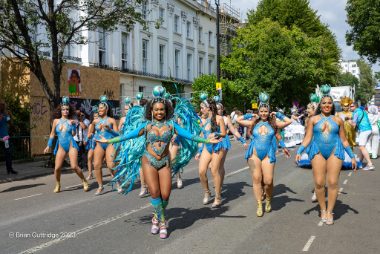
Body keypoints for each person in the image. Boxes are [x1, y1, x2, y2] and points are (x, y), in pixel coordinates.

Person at [97, 86, 219, 239]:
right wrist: (108, 140)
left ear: (166, 110)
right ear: (151, 111)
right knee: (155, 192)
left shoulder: (172, 125)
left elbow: (190, 136)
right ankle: (162, 222)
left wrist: (206, 139)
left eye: (162, 109)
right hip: (148, 161)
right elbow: (126, 136)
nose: (159, 112)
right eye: (156, 110)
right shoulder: (146, 126)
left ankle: (156, 216)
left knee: (166, 195)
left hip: (165, 162)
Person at [296, 85, 357, 225]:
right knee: (319, 183)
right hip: (317, 151)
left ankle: (330, 211)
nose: (327, 105)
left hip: (335, 151)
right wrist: (299, 151)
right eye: (324, 103)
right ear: (320, 105)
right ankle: (322, 209)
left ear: (332, 104)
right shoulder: (313, 119)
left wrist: (352, 156)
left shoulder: (338, 120)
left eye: (329, 103)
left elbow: (344, 140)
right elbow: (307, 138)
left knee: (333, 182)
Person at [237, 92, 291, 217]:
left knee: (268, 180)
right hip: (254, 154)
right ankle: (259, 204)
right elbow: (238, 119)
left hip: (268, 155)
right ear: (258, 111)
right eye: (261, 111)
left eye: (266, 111)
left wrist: (277, 114)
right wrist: (251, 114)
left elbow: (288, 121)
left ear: (269, 111)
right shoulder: (253, 122)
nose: (263, 114)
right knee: (256, 178)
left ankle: (268, 199)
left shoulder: (274, 123)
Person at [43, 97, 89, 193]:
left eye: (67, 109)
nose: (65, 111)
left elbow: (73, 134)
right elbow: (52, 134)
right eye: (63, 109)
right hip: (61, 146)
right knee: (57, 168)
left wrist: (72, 126)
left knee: (74, 166)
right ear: (60, 110)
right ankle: (58, 184)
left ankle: (84, 180)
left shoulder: (71, 121)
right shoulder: (55, 121)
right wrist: (48, 145)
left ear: (69, 110)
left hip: (71, 144)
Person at [195, 93, 227, 208]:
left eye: (202, 107)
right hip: (207, 147)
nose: (201, 110)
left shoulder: (219, 118)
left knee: (214, 170)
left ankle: (218, 197)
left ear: (208, 108)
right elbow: (201, 136)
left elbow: (224, 133)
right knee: (201, 171)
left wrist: (215, 133)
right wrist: (199, 151)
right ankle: (207, 192)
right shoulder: (202, 120)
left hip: (218, 146)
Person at [87, 95, 119, 195]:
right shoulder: (95, 121)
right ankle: (100, 186)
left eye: (101, 108)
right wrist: (90, 134)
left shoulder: (111, 120)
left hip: (109, 143)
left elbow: (118, 135)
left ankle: (117, 182)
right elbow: (89, 133)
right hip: (99, 144)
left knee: (111, 164)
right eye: (98, 108)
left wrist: (109, 129)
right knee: (96, 165)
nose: (99, 109)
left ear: (106, 109)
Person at [215, 96, 247, 186]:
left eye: (220, 109)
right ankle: (218, 179)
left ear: (222, 109)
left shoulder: (225, 119)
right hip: (212, 142)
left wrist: (242, 140)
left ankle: (219, 183)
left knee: (219, 165)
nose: (219, 111)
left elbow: (233, 130)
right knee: (212, 166)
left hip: (223, 142)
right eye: (217, 109)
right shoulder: (212, 119)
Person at [350, 102, 375, 170]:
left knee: (361, 147)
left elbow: (353, 124)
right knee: (362, 146)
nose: (350, 107)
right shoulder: (362, 111)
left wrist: (349, 121)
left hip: (364, 130)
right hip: (369, 129)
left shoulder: (356, 112)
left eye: (351, 106)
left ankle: (370, 164)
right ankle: (360, 163)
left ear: (355, 106)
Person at [0, 102, 17, 174]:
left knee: (8, 153)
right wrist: (9, 116)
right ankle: (9, 169)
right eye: (4, 107)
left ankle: (9, 169)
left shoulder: (5, 115)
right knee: (8, 153)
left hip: (5, 137)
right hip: (5, 137)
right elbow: (11, 123)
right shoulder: (5, 115)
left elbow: (10, 123)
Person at [85, 106, 99, 180]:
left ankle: (112, 172)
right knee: (89, 157)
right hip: (92, 143)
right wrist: (87, 138)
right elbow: (89, 134)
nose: (96, 118)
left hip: (100, 143)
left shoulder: (101, 123)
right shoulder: (91, 124)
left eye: (97, 116)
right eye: (94, 116)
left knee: (100, 160)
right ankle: (90, 173)